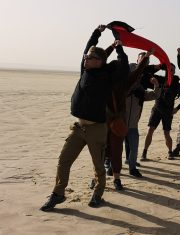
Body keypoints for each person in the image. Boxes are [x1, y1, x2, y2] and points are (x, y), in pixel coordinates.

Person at [40, 24, 129, 211]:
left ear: (99, 62)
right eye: (85, 57)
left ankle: (97, 195)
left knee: (98, 167)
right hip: (78, 128)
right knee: (64, 160)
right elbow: (89, 46)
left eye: (89, 58)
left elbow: (123, 64)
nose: (85, 59)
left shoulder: (109, 78)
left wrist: (118, 46)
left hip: (97, 129)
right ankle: (58, 194)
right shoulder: (85, 70)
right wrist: (97, 33)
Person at [103, 49, 155, 191]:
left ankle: (117, 178)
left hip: (119, 123)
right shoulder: (103, 83)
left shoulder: (124, 85)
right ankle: (100, 177)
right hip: (103, 123)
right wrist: (112, 47)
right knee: (103, 151)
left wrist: (146, 58)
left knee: (116, 150)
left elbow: (137, 73)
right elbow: (99, 62)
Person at [141, 63, 180, 161]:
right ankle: (144, 152)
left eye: (172, 70)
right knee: (150, 130)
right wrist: (160, 66)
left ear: (174, 71)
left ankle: (170, 152)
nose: (170, 71)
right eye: (169, 69)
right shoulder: (159, 79)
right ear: (166, 70)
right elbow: (145, 73)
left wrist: (177, 109)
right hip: (157, 109)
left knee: (166, 133)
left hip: (168, 112)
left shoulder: (176, 84)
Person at [124, 73, 161, 177]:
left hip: (133, 126)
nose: (136, 79)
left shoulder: (140, 92)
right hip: (119, 125)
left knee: (134, 148)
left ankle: (132, 169)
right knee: (116, 148)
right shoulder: (121, 90)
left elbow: (155, 95)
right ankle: (111, 168)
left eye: (138, 77)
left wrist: (156, 85)